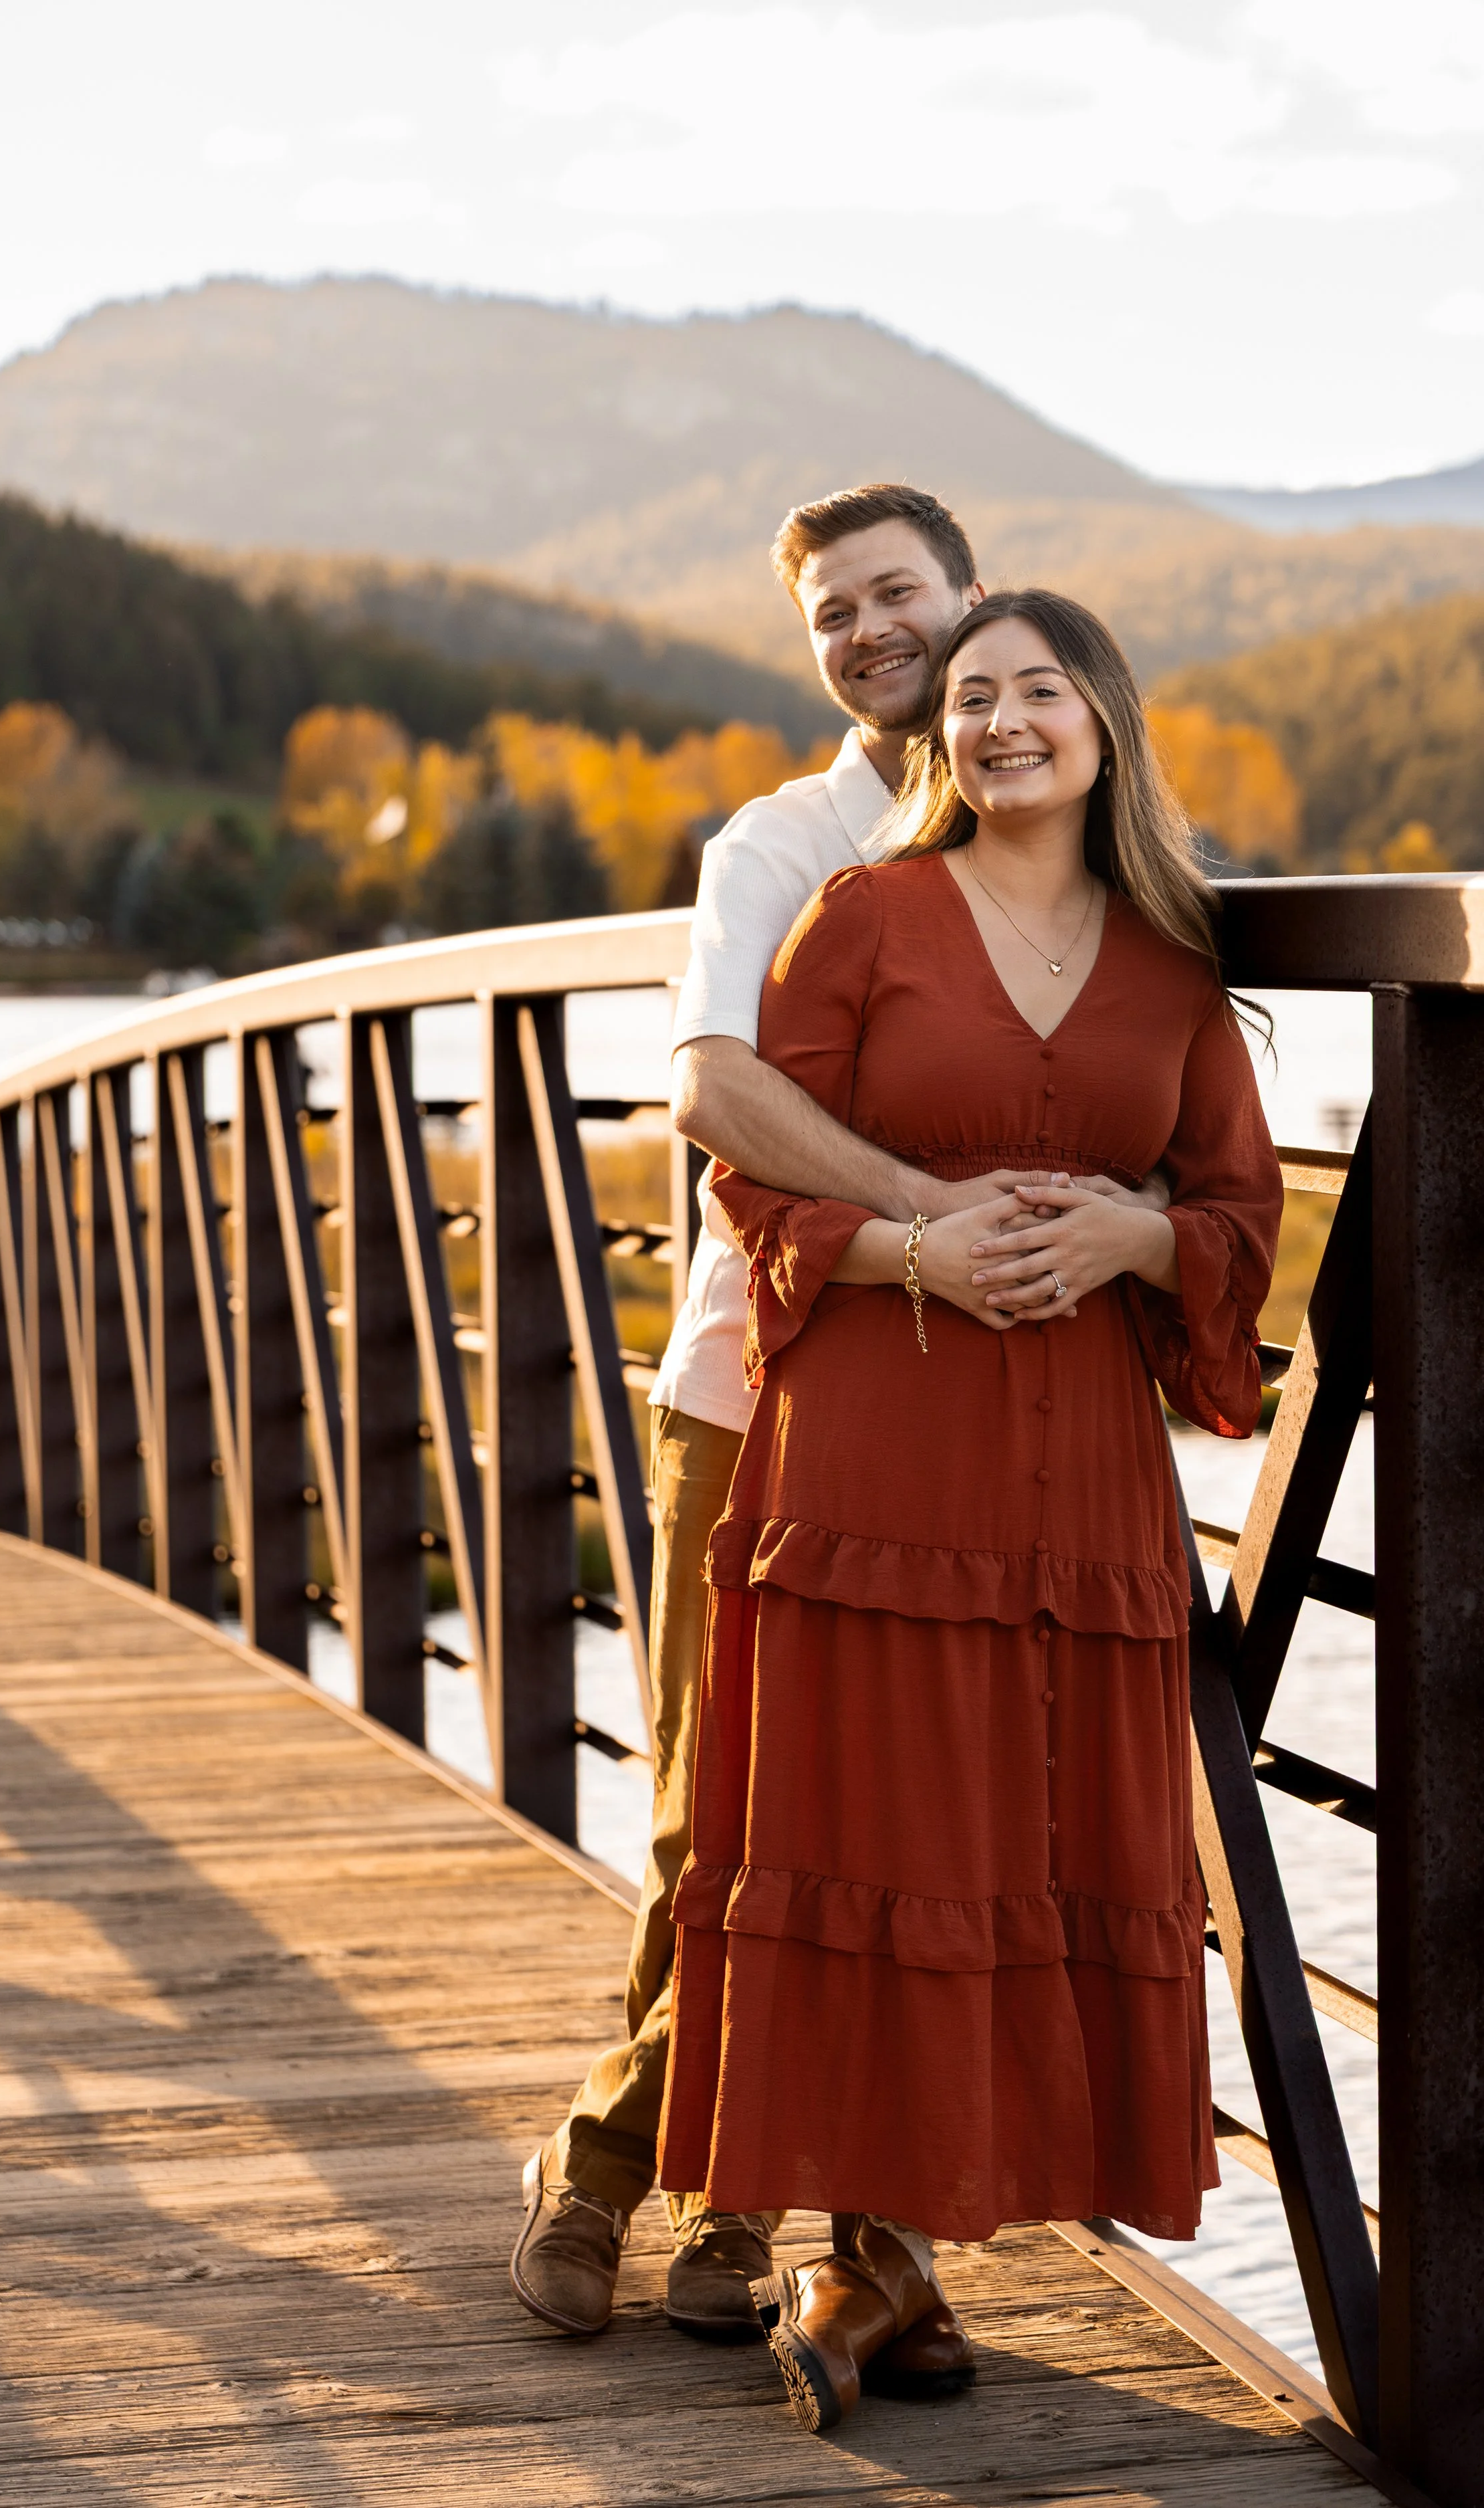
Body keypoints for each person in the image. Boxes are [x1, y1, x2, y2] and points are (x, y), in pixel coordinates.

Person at [511, 488, 1163, 2343]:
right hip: (759, 1383)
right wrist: (913, 1219)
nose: (868, 632)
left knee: (904, 1829)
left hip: (984, 1425)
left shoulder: (1065, 847)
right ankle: (604, 2164)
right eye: (832, 613)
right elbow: (709, 1078)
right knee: (723, 1820)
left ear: (976, 603)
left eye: (898, 596)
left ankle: (790, 2229)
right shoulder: (782, 841)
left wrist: (1127, 1230)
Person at [655, 587, 1283, 2434]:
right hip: (874, 1434)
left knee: (1029, 1815)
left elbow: (1239, 1207)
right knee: (870, 1802)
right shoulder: (861, 917)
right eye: (977, 696)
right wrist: (904, 1244)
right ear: (946, 739)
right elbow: (742, 1180)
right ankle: (860, 2245)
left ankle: (908, 2247)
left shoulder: (1172, 960)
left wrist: (1139, 1231)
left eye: (1041, 689)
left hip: (1075, 1459)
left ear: (1103, 718)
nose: (1005, 719)